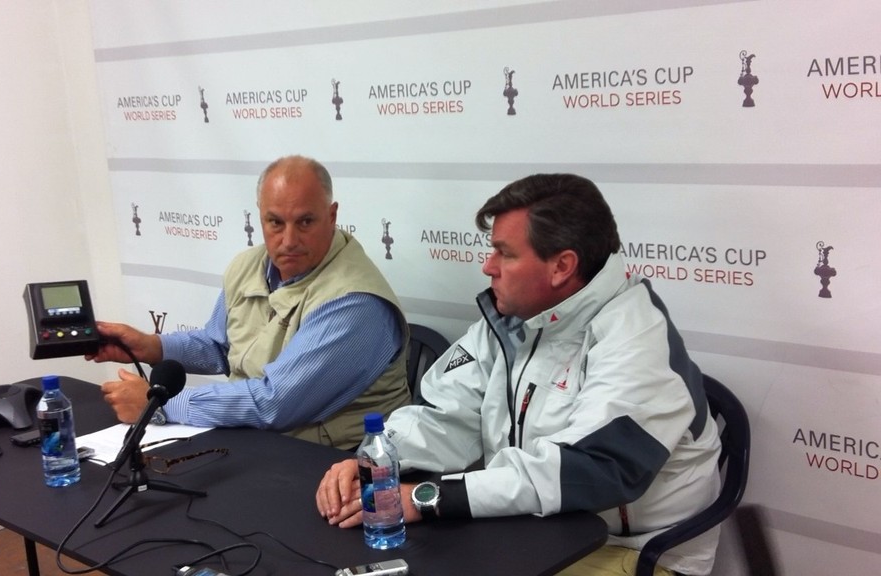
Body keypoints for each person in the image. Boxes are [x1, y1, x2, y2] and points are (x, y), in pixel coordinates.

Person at [315, 173, 722, 575]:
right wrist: (379, 459)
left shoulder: (636, 334)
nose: (487, 266)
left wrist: (429, 498)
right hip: (531, 527)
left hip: (632, 551)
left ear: (562, 266)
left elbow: (589, 469)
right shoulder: (510, 320)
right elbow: (446, 415)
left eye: (504, 253)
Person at [89, 155, 410, 450]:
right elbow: (220, 346)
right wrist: (152, 347)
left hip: (339, 465)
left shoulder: (354, 303)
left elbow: (276, 403)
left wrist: (157, 404)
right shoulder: (248, 265)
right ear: (259, 216)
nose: (288, 240)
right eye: (275, 222)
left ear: (332, 215)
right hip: (262, 443)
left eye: (305, 222)